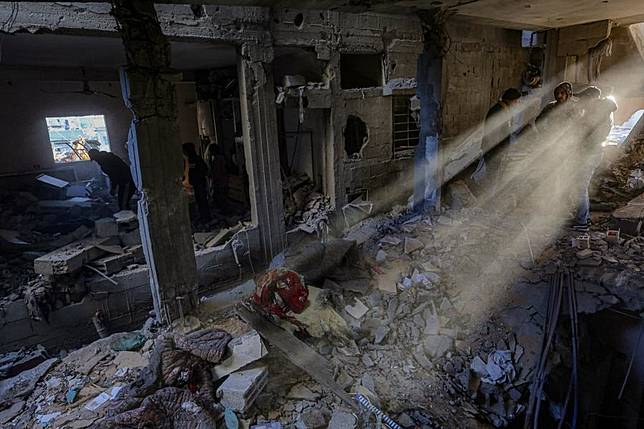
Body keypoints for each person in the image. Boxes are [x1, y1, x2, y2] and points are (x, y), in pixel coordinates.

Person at [573, 86, 617, 229]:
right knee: (579, 186)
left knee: (580, 187)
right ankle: (581, 217)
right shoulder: (600, 112)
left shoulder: (597, 114)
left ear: (591, 99)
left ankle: (582, 222)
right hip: (591, 152)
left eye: (584, 98)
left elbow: (587, 133)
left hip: (590, 153)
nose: (582, 102)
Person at [474, 88, 522, 188]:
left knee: (495, 177)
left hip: (497, 149)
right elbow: (493, 134)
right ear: (510, 100)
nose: (517, 103)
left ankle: (491, 194)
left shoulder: (505, 110)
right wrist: (499, 151)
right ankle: (489, 197)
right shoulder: (498, 111)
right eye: (516, 101)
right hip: (494, 150)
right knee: (493, 177)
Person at [182, 142, 211, 223]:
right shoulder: (187, 160)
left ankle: (206, 218)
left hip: (199, 184)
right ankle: (201, 217)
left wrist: (199, 177)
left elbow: (205, 170)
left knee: (202, 201)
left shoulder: (197, 159)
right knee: (196, 202)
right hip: (192, 185)